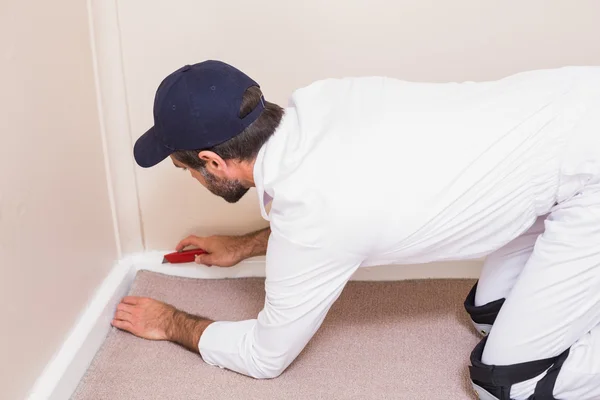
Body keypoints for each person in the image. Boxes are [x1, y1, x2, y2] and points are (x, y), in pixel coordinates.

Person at [115, 60, 600, 400]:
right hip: (580, 107)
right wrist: (244, 246)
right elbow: (344, 212)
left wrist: (172, 322)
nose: (194, 179)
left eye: (188, 169)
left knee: (506, 383)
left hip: (589, 179)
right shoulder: (326, 99)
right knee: (490, 314)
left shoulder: (313, 219)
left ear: (213, 161)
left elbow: (265, 357)